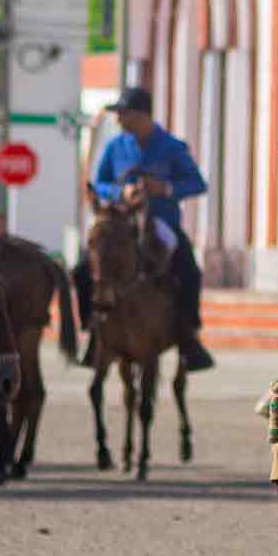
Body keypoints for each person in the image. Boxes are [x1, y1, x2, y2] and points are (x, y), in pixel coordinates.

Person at [86, 87, 216, 373]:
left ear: (141, 115)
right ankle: (93, 331)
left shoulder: (172, 147)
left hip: (162, 224)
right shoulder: (115, 146)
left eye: (123, 113)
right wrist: (122, 190)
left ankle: (188, 338)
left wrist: (164, 188)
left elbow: (198, 184)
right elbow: (99, 183)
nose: (118, 119)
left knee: (189, 271)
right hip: (120, 224)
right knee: (85, 266)